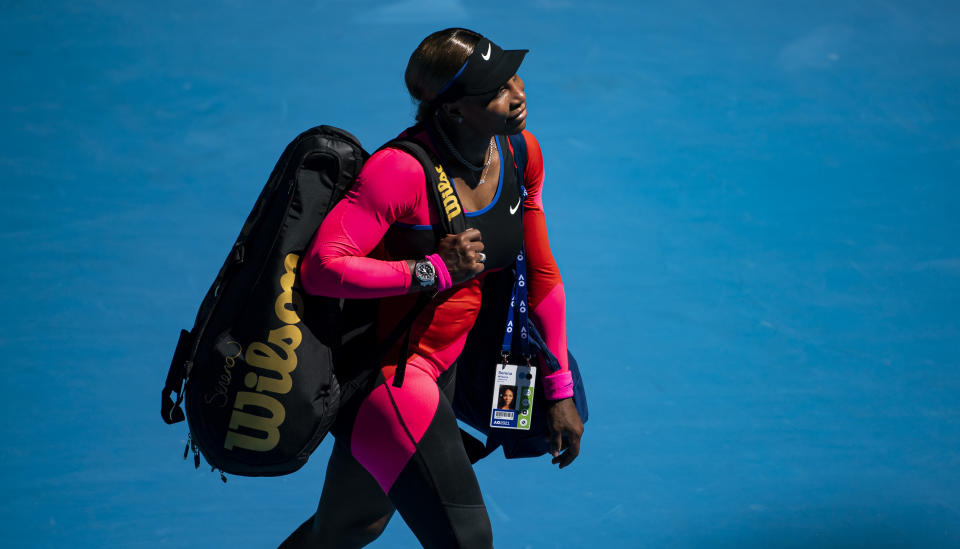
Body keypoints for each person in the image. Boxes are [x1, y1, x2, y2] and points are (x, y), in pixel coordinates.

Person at [281, 28, 583, 549]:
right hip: (394, 377)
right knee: (467, 540)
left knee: (348, 529)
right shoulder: (398, 171)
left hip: (454, 363)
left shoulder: (518, 153)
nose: (517, 92)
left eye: (512, 75)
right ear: (454, 110)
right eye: (495, 89)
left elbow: (542, 275)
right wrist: (430, 271)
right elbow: (322, 268)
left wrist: (557, 385)